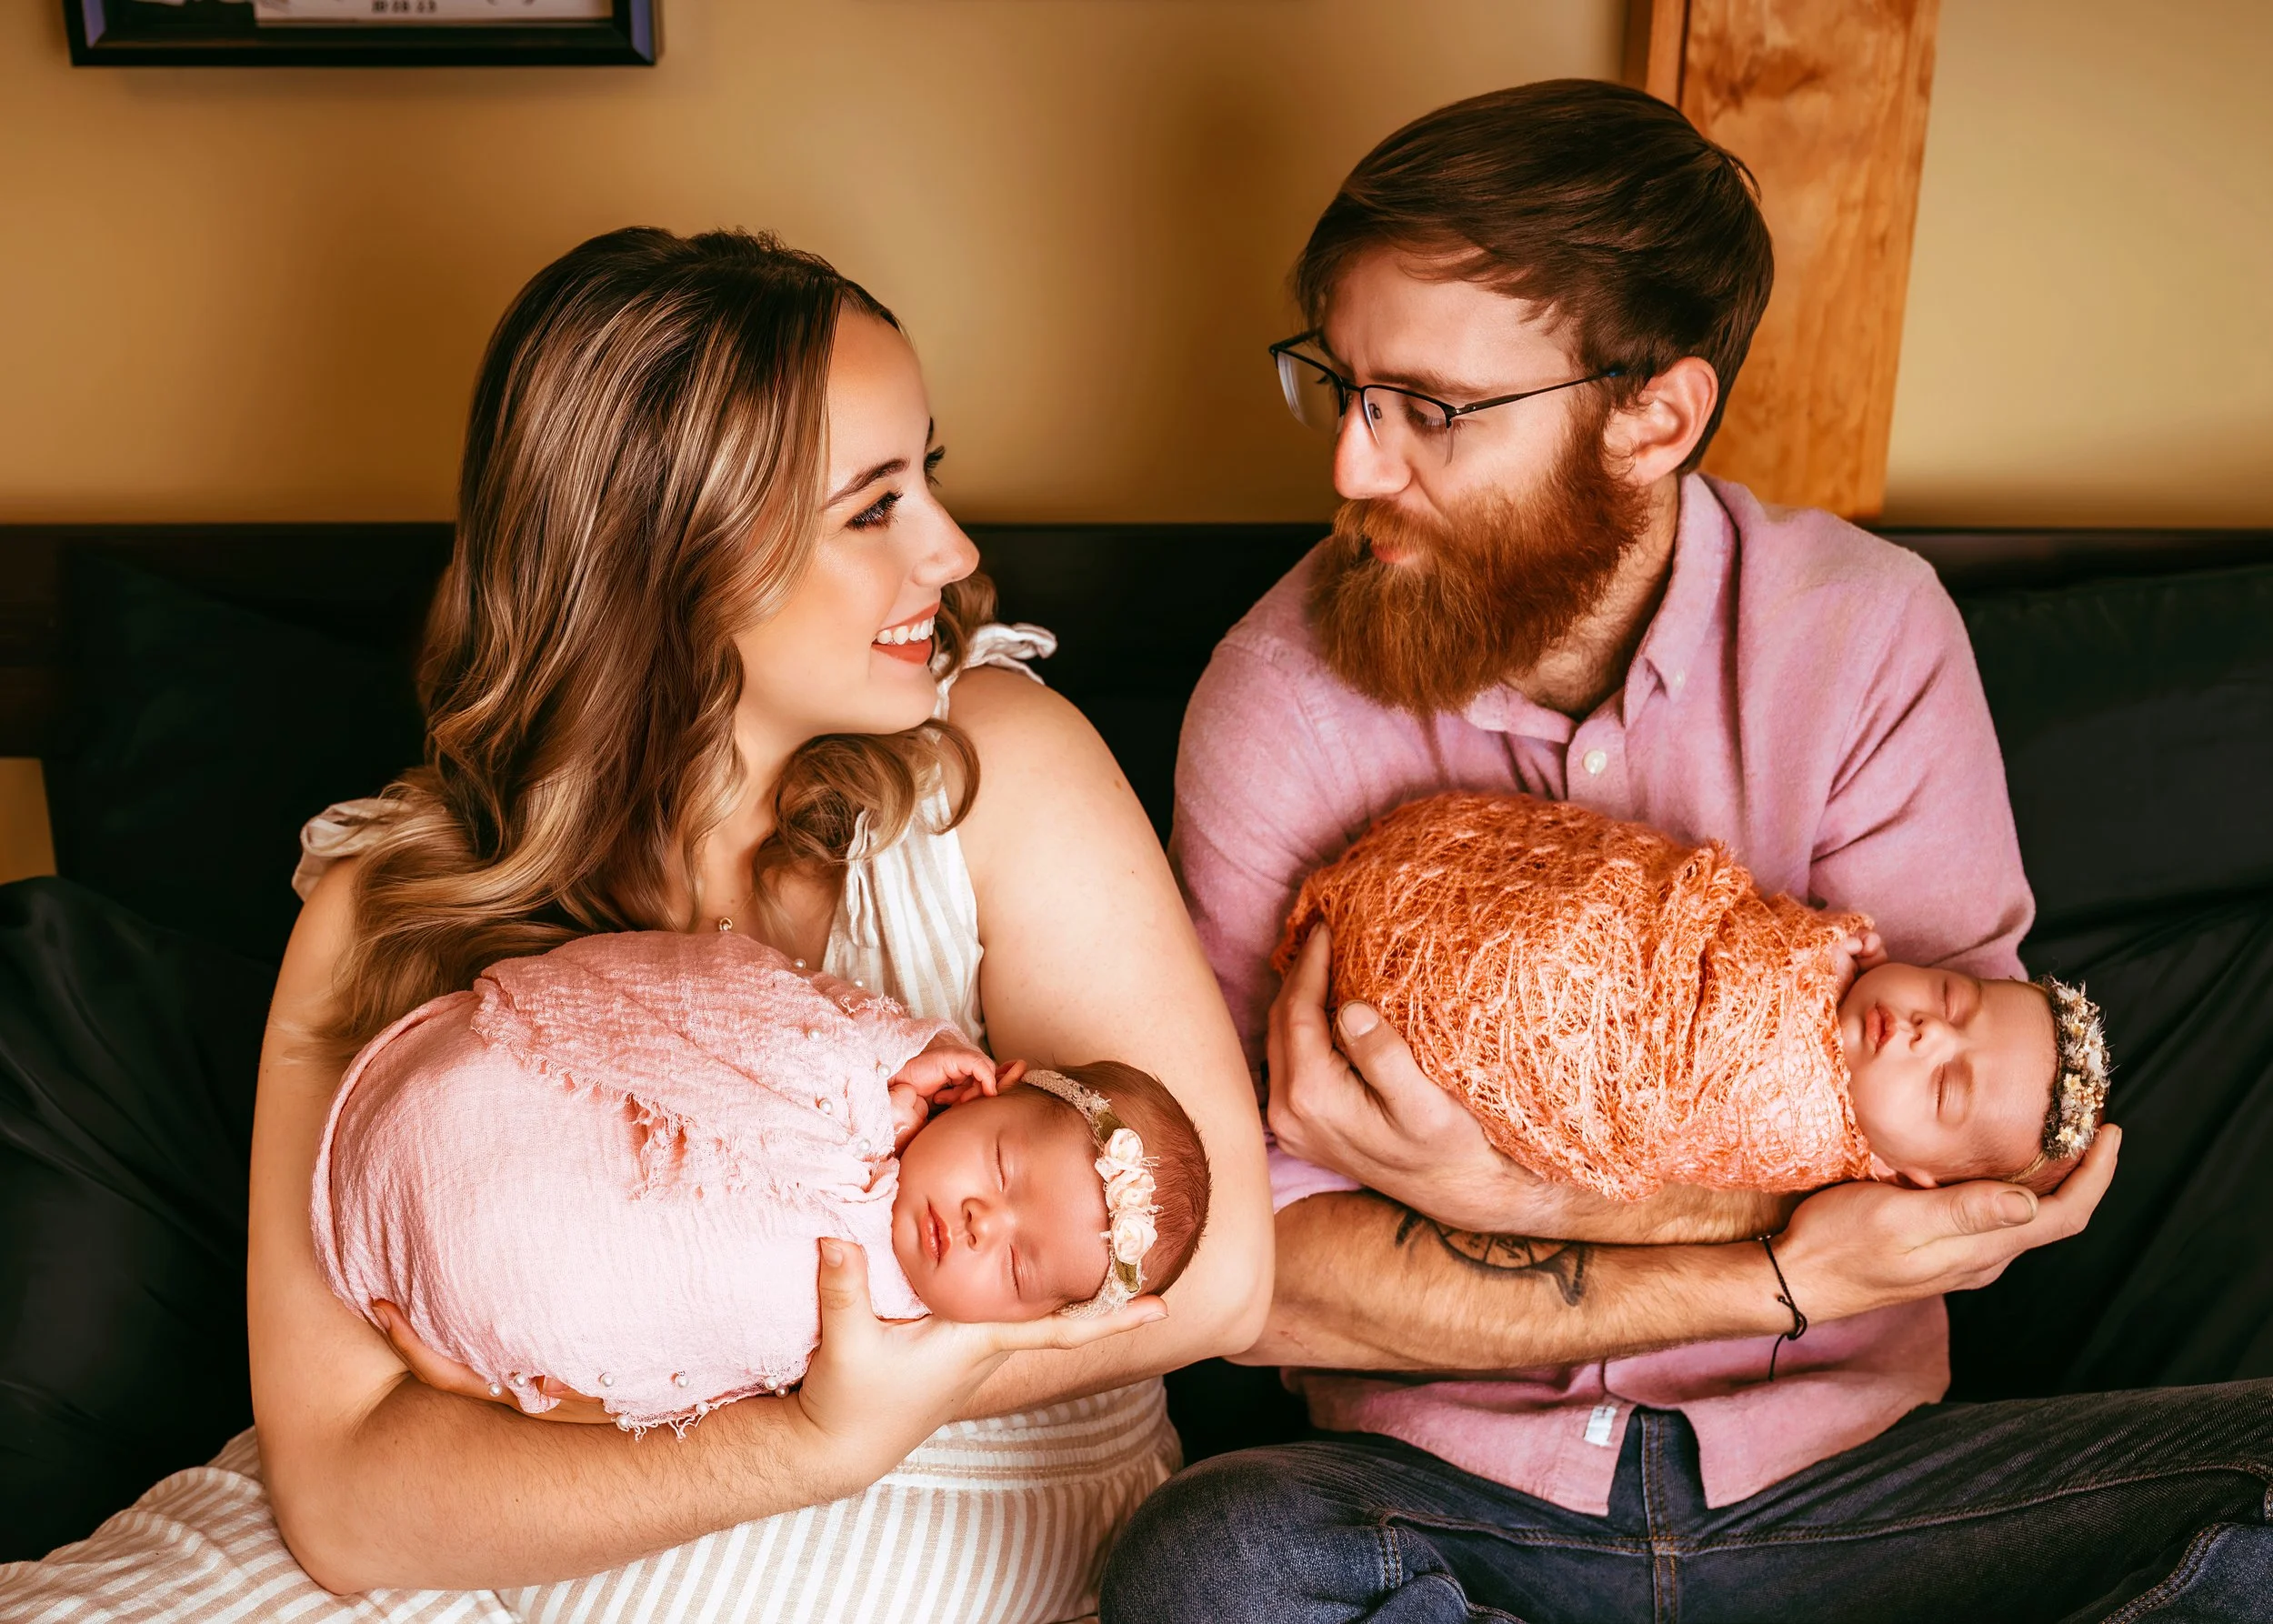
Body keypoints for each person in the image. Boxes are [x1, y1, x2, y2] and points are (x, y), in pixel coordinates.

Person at [1103, 79, 2273, 1621]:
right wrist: (1770, 1274)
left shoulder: (1864, 639)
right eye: (1344, 389)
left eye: (1432, 411)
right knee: (1213, 1560)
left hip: (1851, 1502)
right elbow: (1247, 1280)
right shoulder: (1280, 701)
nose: (1356, 469)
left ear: (1653, 416)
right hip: (1452, 1508)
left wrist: (1508, 1200)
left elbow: (1963, 1184)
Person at [7, 226, 1268, 1624]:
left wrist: (820, 1420)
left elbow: (1212, 1281)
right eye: (872, 506)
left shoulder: (995, 767)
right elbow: (346, 1497)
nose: (954, 549)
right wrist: (786, 1438)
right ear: (675, 560)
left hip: (952, 1499)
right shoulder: (389, 910)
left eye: (931, 474)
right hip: (487, 1543)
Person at [314, 927, 1210, 1429]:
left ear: (1027, 1324)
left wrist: (521, 1398)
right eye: (1003, 1166)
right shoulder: (863, 1068)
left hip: (490, 1309)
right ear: (989, 1085)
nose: (983, 1223)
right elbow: (731, 990)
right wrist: (901, 1054)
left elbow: (698, 1400)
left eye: (1018, 1269)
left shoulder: (889, 1351)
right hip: (479, 1115)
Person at [1278, 788, 2109, 1202]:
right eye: (1951, 998)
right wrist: (1814, 939)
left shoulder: (1801, 1126)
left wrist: (1803, 952)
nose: (1929, 1032)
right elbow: (1740, 925)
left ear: (1905, 1173)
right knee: (1553, 892)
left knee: (1528, 970)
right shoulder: (1847, 983)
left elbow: (1697, 1077)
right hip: (1624, 926)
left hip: (1600, 1043)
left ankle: (1398, 941)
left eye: (1944, 1088)